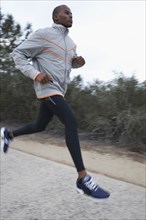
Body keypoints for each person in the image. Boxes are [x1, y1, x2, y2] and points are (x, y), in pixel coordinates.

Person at [1, 5, 110, 200]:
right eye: (66, 12)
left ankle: (8, 133)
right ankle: (83, 180)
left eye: (72, 13)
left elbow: (65, 63)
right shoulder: (44, 35)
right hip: (47, 87)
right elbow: (17, 54)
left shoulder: (71, 43)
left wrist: (77, 63)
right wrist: (36, 74)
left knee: (40, 125)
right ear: (55, 16)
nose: (70, 16)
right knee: (71, 121)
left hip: (60, 90)